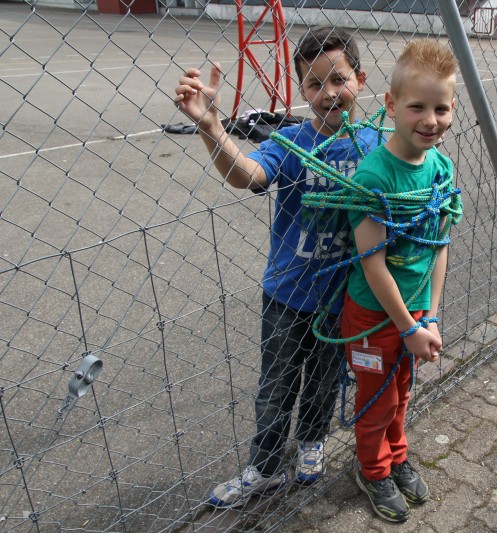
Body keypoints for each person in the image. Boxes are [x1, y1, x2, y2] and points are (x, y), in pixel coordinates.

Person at [174, 27, 379, 508]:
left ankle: (311, 442)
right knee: (276, 387)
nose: (328, 93)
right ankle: (265, 468)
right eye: (314, 83)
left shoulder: (376, 145)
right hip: (287, 295)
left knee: (325, 382)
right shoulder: (290, 141)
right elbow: (247, 174)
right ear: (301, 89)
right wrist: (211, 128)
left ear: (361, 80)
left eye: (339, 79)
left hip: (344, 297)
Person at [340, 39, 458, 523]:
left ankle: (396, 457)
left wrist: (429, 315)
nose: (430, 120)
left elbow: (439, 245)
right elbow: (373, 264)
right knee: (377, 399)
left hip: (414, 315)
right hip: (374, 315)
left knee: (402, 391)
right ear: (390, 105)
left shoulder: (441, 168)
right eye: (417, 107)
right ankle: (372, 470)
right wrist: (408, 327)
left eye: (441, 108)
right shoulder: (374, 177)